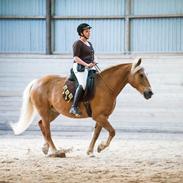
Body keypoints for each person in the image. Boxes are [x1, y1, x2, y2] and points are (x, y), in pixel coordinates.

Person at [69, 23, 96, 117]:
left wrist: (93, 63)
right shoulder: (77, 43)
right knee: (83, 84)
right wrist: (86, 65)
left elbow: (90, 56)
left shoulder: (89, 44)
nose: (89, 33)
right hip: (79, 67)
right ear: (81, 33)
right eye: (86, 31)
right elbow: (76, 58)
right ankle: (74, 107)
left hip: (89, 66)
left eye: (89, 31)